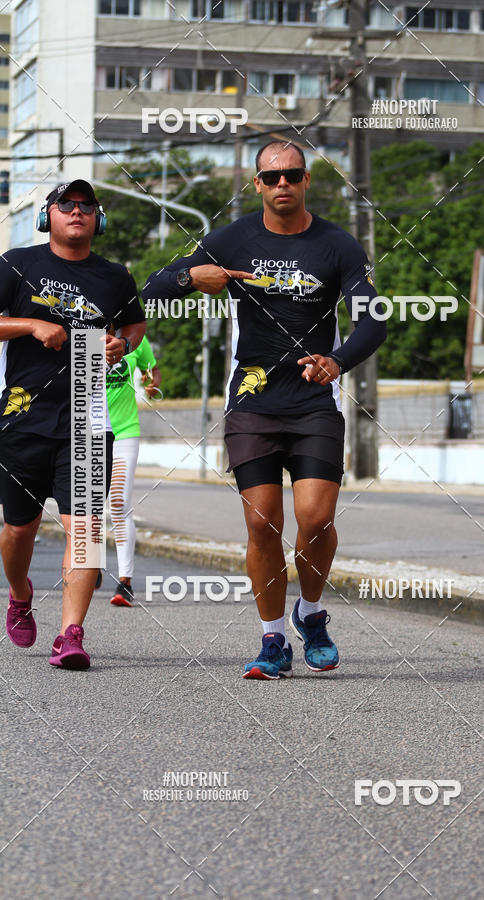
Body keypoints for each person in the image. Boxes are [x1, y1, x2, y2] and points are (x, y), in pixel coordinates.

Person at [143, 141, 385, 680]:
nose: (283, 185)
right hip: (253, 400)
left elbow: (373, 319)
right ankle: (273, 638)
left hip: (312, 402)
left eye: (293, 175)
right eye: (272, 177)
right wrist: (191, 277)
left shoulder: (338, 245)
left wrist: (338, 360)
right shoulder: (232, 239)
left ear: (305, 181)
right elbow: (152, 288)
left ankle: (312, 612)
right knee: (262, 524)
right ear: (257, 184)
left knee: (317, 519)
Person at [0, 179, 146, 669]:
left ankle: (71, 634)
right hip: (23, 415)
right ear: (49, 216)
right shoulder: (18, 263)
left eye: (87, 206)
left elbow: (134, 324)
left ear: (98, 219)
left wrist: (120, 345)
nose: (77, 212)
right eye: (67, 205)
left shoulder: (114, 277)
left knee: (83, 529)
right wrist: (30, 325)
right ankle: (20, 593)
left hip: (87, 414)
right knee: (18, 530)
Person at [106, 334, 161, 606]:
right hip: (88, 432)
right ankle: (87, 566)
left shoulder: (136, 338)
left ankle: (124, 581)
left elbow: (154, 372)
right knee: (85, 507)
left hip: (125, 432)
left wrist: (152, 383)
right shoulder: (81, 333)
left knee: (118, 503)